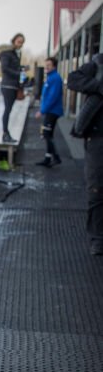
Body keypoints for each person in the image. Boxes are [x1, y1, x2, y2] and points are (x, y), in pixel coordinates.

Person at [67, 53, 103, 255]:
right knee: (97, 189)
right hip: (98, 138)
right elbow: (73, 79)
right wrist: (98, 86)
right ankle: (98, 239)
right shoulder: (99, 64)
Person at [0, 32, 25, 142]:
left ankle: (6, 133)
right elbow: (5, 69)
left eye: (22, 43)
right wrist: (19, 73)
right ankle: (5, 134)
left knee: (9, 109)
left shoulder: (16, 53)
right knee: (7, 110)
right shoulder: (6, 53)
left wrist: (22, 68)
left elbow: (14, 67)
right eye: (18, 42)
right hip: (8, 86)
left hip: (13, 85)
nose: (20, 44)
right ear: (13, 41)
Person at [36, 56, 64, 167]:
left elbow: (52, 97)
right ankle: (48, 159)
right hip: (50, 111)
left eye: (49, 65)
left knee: (46, 133)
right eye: (46, 65)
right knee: (49, 135)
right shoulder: (50, 77)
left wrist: (42, 111)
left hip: (53, 111)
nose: (46, 67)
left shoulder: (55, 78)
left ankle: (56, 158)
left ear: (54, 66)